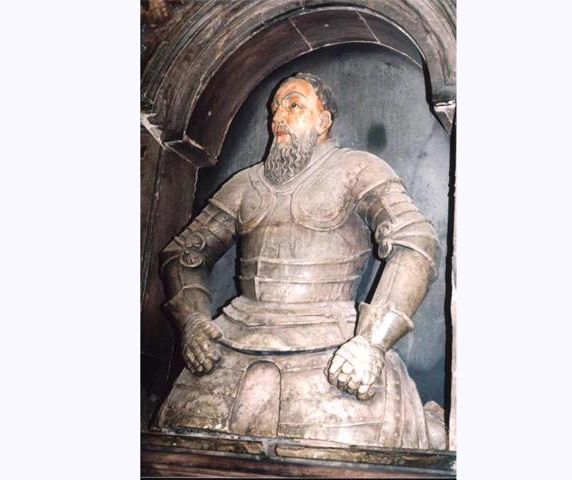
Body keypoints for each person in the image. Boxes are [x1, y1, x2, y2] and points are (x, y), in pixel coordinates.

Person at [155, 72, 443, 449]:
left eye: (294, 106)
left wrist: (372, 343)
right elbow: (183, 254)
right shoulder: (245, 184)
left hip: (332, 345)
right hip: (232, 345)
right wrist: (193, 321)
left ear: (323, 121)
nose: (279, 116)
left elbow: (415, 240)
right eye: (275, 108)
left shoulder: (358, 169)